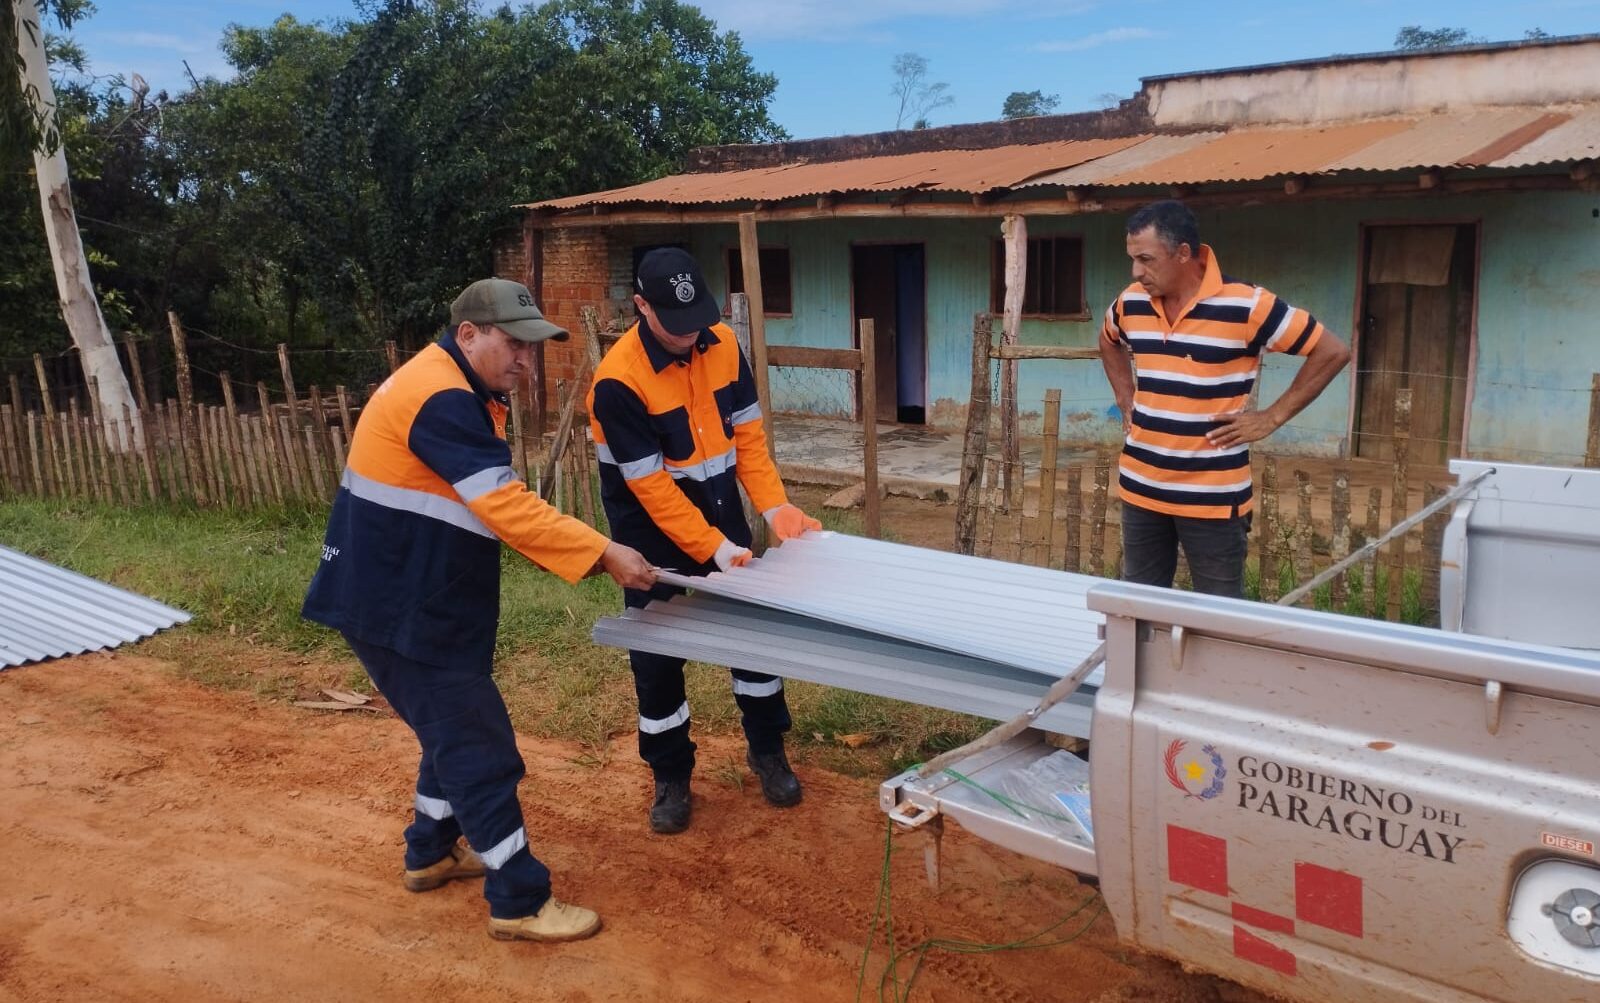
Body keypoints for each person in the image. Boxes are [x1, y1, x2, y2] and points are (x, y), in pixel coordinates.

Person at [302, 277, 656, 943]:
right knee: (477, 742)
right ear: (467, 335)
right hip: (399, 605)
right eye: (513, 345)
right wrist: (605, 550)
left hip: (410, 595)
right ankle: (518, 897)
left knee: (450, 730)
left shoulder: (456, 385)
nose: (526, 361)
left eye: (533, 348)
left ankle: (431, 850)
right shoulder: (442, 397)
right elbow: (505, 505)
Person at [587, 246, 821, 834]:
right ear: (641, 306)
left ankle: (768, 751)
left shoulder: (723, 344)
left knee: (754, 644)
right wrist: (712, 549)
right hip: (650, 541)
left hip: (722, 521)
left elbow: (748, 440)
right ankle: (670, 775)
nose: (693, 335)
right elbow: (651, 487)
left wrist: (775, 507)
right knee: (658, 661)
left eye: (700, 322)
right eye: (677, 323)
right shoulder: (618, 382)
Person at [1100, 200, 1351, 598]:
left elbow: (1333, 351)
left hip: (1214, 500)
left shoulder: (1248, 305)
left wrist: (1272, 417)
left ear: (1183, 253)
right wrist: (1124, 393)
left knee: (1218, 615)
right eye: (1132, 259)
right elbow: (1108, 339)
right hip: (1141, 488)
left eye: (1146, 259)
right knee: (1140, 608)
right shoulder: (1131, 302)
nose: (1136, 272)